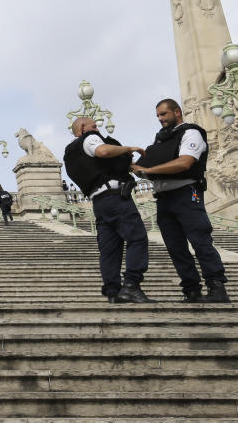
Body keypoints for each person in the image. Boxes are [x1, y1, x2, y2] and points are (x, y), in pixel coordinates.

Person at [133, 98, 229, 303]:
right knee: (175, 247)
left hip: (187, 194)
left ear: (177, 112)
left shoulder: (191, 133)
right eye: (158, 115)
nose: (160, 119)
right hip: (163, 199)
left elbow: (185, 163)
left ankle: (216, 287)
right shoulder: (159, 141)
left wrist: (148, 169)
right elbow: (145, 170)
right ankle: (191, 289)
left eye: (164, 114)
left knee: (200, 241)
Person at [63, 117, 153, 303]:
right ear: (82, 128)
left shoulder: (71, 153)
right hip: (115, 198)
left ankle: (113, 291)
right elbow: (102, 151)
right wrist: (129, 148)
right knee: (137, 238)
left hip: (99, 202)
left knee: (110, 249)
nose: (98, 130)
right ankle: (131, 285)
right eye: (94, 126)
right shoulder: (89, 139)